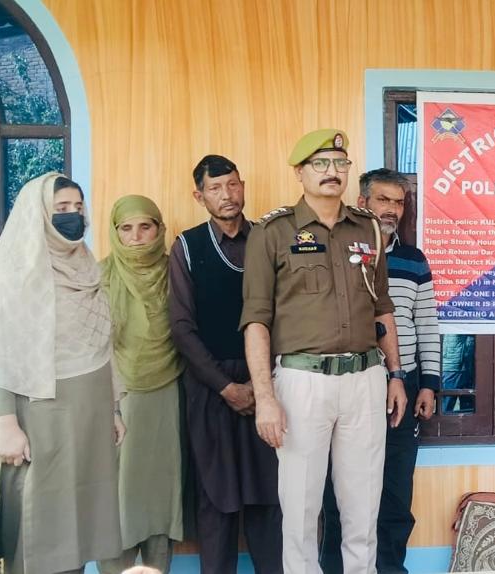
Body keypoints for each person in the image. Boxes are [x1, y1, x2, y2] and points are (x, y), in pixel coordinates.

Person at [241, 129, 408, 574]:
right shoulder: (272, 232)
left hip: (365, 380)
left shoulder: (367, 228)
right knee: (300, 509)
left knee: (362, 507)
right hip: (303, 383)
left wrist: (395, 374)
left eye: (339, 163)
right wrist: (265, 398)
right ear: (300, 172)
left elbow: (382, 307)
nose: (331, 172)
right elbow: (256, 321)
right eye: (320, 164)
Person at [0, 172, 123, 573]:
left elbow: (103, 345)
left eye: (78, 207)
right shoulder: (6, 280)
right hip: (38, 418)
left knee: (82, 529)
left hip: (90, 417)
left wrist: (113, 409)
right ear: (37, 213)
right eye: (61, 209)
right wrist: (4, 422)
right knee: (39, 528)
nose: (73, 216)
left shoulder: (86, 269)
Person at [321, 168, 439, 574]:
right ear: (362, 202)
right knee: (340, 490)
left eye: (398, 202)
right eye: (383, 200)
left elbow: (426, 325)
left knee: (394, 490)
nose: (391, 209)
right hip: (350, 382)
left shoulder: (413, 260)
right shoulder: (339, 253)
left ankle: (390, 569)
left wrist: (428, 385)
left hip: (403, 385)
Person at [170, 155, 282, 573]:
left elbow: (285, 315)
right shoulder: (188, 246)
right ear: (199, 196)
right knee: (216, 502)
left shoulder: (268, 240)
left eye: (233, 185)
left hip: (266, 388)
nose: (227, 195)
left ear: (243, 187)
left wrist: (262, 385)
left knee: (270, 500)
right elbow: (182, 328)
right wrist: (226, 387)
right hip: (211, 390)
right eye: (215, 188)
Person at [98, 195, 186, 573]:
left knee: (160, 499)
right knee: (114, 500)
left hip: (168, 393)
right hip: (112, 399)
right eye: (126, 228)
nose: (135, 237)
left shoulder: (177, 274)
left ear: (159, 229)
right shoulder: (98, 278)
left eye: (145, 227)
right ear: (115, 232)